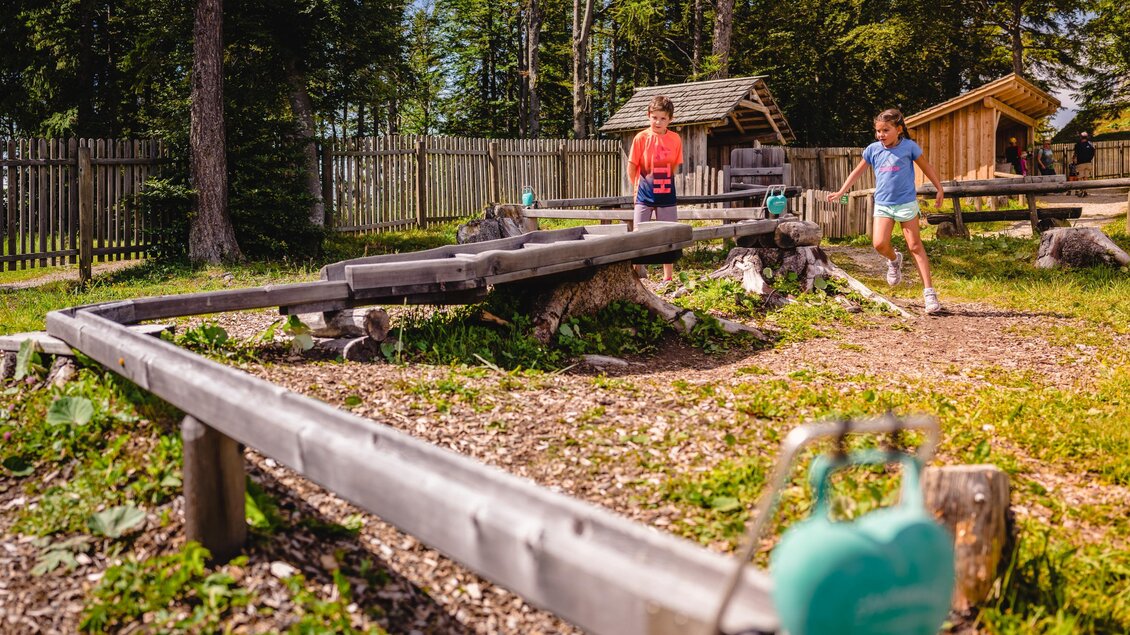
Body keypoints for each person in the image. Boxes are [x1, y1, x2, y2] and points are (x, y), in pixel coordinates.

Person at [827, 108, 945, 315]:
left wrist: (939, 188)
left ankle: (929, 293)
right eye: (878, 131)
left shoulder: (909, 147)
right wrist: (842, 191)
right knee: (879, 244)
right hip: (883, 204)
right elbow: (857, 172)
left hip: (906, 204)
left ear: (898, 129)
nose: (881, 135)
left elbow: (926, 167)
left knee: (915, 246)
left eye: (885, 130)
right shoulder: (873, 149)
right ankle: (894, 259)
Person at [627, 95, 683, 281]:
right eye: (654, 117)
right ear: (648, 115)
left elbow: (675, 165)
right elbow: (632, 166)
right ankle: (636, 274)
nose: (658, 122)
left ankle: (668, 278)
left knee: (668, 235)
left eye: (663, 118)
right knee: (639, 235)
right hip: (644, 194)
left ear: (670, 119)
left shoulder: (675, 139)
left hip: (667, 194)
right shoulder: (641, 138)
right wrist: (636, 186)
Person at [1072, 131, 1096, 197]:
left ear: (1080, 137)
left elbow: (1075, 154)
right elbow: (1093, 153)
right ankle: (1085, 191)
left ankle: (1081, 191)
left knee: (1080, 177)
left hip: (1080, 163)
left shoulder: (1077, 144)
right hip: (1088, 163)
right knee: (1086, 177)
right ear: (1087, 137)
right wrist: (1089, 158)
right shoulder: (1090, 144)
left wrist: (1073, 160)